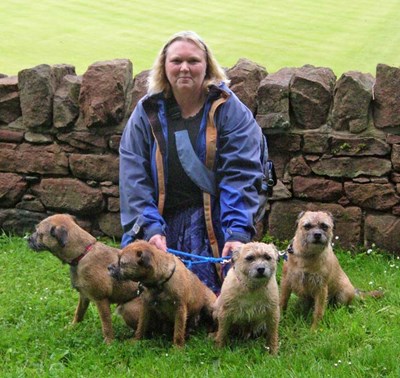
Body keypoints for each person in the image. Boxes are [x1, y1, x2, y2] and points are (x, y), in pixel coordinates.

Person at [119, 31, 264, 293]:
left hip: (215, 217)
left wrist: (237, 233)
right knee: (136, 308)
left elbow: (241, 175)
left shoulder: (229, 109)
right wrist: (150, 229)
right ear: (164, 67)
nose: (184, 68)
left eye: (193, 61)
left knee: (221, 306)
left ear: (207, 66)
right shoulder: (147, 111)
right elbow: (133, 177)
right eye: (176, 61)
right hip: (161, 218)